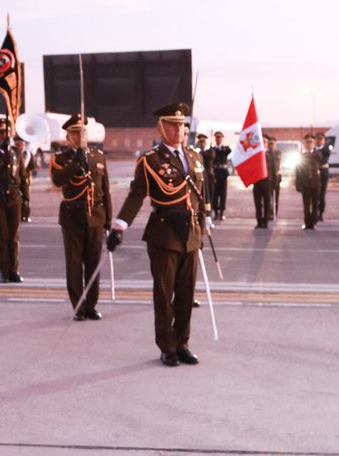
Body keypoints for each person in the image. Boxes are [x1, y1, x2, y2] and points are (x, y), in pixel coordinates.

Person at [107, 102, 206, 366]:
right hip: (164, 234)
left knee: (186, 295)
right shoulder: (150, 160)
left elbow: (200, 198)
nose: (178, 129)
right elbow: (137, 195)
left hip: (191, 236)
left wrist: (202, 232)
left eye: (182, 125)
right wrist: (119, 225)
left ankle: (183, 343)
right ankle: (167, 346)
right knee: (164, 295)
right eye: (172, 125)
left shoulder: (195, 157)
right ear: (161, 128)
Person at [51, 114, 112, 320]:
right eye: (75, 133)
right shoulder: (60, 159)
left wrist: (109, 219)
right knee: (75, 264)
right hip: (73, 216)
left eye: (82, 132)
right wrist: (75, 162)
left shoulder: (98, 156)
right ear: (68, 137)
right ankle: (78, 305)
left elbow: (105, 190)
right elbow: (59, 181)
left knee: (93, 263)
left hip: (95, 215)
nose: (80, 136)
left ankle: (91, 305)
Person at [0, 118, 24, 283]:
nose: (3, 135)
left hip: (13, 197)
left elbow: (20, 176)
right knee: (2, 236)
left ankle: (13, 270)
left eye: (5, 132)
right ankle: (4, 271)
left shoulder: (16, 151)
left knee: (14, 236)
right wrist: (1, 152)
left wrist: (24, 197)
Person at [295, 133, 322, 230]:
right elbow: (298, 170)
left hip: (315, 183)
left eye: (311, 142)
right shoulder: (301, 154)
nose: (309, 144)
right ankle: (307, 223)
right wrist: (298, 184)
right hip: (305, 183)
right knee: (306, 205)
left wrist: (313, 151)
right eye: (307, 142)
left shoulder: (317, 153)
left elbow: (320, 159)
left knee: (315, 204)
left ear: (314, 143)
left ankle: (313, 221)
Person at [253, 135, 276, 229]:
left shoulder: (270, 154)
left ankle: (265, 221)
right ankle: (259, 221)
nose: (263, 143)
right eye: (261, 141)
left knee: (267, 202)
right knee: (258, 203)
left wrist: (274, 183)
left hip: (267, 182)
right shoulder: (255, 154)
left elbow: (273, 170)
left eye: (265, 141)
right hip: (257, 182)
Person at [209, 130, 231, 220]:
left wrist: (220, 148)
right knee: (215, 194)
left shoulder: (225, 148)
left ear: (222, 139)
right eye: (217, 138)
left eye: (220, 138)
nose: (218, 139)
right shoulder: (212, 149)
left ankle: (221, 212)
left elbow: (228, 151)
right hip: (215, 173)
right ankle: (216, 212)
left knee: (223, 194)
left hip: (223, 173)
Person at [18, 137, 36, 222]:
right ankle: (20, 214)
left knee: (26, 197)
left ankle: (26, 214)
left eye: (21, 144)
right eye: (18, 144)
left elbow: (32, 166)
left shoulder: (28, 154)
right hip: (17, 178)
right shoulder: (14, 154)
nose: (19, 146)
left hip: (26, 178)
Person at [265, 135, 282, 222]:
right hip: (268, 177)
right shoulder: (265, 154)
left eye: (272, 144)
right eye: (270, 144)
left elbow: (275, 161)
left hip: (276, 177)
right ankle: (270, 213)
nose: (271, 145)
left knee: (276, 197)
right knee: (269, 196)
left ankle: (276, 212)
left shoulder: (278, 153)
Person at [315, 129, 331, 221]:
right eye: (318, 139)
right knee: (314, 194)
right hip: (314, 173)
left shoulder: (326, 149)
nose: (319, 141)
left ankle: (320, 213)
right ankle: (314, 212)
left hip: (323, 171)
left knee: (322, 194)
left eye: (321, 139)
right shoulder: (314, 149)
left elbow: (323, 157)